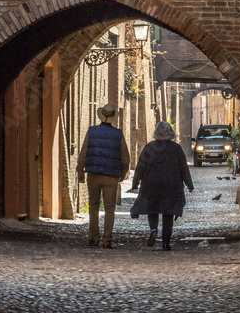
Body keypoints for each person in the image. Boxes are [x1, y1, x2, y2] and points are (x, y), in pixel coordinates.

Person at [130, 121, 193, 250]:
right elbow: (183, 168)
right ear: (170, 133)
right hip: (172, 185)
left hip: (151, 184)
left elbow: (140, 167)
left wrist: (135, 183)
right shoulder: (176, 149)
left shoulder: (149, 148)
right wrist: (189, 184)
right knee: (168, 213)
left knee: (152, 209)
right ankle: (165, 242)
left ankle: (153, 229)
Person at [77, 103, 130, 249]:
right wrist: (123, 172)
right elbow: (125, 157)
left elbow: (83, 153)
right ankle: (107, 240)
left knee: (93, 206)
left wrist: (80, 170)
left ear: (101, 116)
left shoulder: (91, 132)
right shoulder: (118, 134)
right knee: (109, 208)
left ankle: (94, 237)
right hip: (111, 176)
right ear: (113, 118)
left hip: (93, 174)